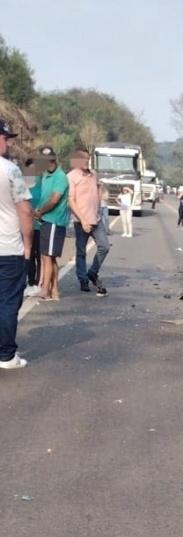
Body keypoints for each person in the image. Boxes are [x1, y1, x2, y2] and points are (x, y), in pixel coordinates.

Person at [0, 119, 33, 369]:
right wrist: (28, 245)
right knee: (9, 301)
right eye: (6, 138)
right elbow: (24, 211)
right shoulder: (9, 170)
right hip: (8, 248)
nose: (8, 143)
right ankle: (7, 356)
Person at [67, 148, 109, 296]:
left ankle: (92, 272)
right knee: (81, 252)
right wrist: (83, 220)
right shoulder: (71, 176)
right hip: (81, 220)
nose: (86, 161)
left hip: (96, 219)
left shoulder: (93, 174)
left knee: (104, 246)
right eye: (83, 159)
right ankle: (83, 279)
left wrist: (99, 196)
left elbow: (97, 190)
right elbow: (71, 200)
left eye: (88, 159)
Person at [34, 146, 69, 301]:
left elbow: (54, 199)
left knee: (47, 256)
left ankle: (45, 290)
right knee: (49, 256)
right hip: (46, 220)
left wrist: (41, 211)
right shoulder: (45, 175)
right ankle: (54, 289)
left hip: (54, 220)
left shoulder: (60, 177)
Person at [22, 158, 43, 297]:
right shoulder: (23, 184)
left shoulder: (43, 183)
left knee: (39, 255)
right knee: (28, 254)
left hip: (41, 224)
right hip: (26, 225)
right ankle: (31, 282)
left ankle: (37, 282)